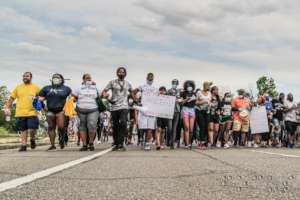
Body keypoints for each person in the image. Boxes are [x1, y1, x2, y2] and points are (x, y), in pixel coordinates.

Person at [4, 72, 40, 152]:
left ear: (31, 77)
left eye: (27, 76)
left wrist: (42, 106)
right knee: (23, 129)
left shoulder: (36, 87)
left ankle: (32, 139)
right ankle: (23, 145)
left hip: (32, 112)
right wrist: (7, 108)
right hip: (20, 112)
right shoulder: (18, 87)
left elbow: (41, 98)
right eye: (24, 76)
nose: (25, 77)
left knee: (32, 129)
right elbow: (11, 99)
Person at [38, 74, 72, 151]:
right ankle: (52, 145)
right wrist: (43, 107)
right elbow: (39, 99)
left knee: (61, 127)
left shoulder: (66, 89)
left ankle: (62, 138)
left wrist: (69, 107)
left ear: (62, 79)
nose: (55, 79)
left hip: (61, 110)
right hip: (50, 110)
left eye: (57, 78)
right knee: (51, 127)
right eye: (54, 78)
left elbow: (71, 98)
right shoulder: (46, 88)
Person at [102, 67, 132, 151]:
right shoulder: (112, 82)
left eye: (123, 72)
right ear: (117, 73)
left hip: (124, 106)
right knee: (115, 125)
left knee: (123, 123)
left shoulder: (128, 83)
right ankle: (116, 143)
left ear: (125, 74)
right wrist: (107, 97)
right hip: (114, 107)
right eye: (119, 72)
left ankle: (121, 143)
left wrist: (136, 101)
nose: (121, 73)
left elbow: (132, 93)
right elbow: (104, 91)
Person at [73, 74, 99, 151]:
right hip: (81, 110)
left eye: (89, 78)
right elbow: (74, 96)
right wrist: (73, 98)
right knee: (82, 126)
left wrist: (106, 95)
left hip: (93, 109)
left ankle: (91, 143)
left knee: (92, 124)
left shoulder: (95, 88)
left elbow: (102, 94)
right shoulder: (79, 88)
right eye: (87, 78)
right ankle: (84, 144)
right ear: (83, 79)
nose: (88, 79)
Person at [137, 73, 157, 151]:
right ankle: (141, 138)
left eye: (151, 79)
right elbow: (134, 92)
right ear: (146, 78)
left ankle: (147, 143)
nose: (150, 80)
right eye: (149, 78)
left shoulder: (155, 88)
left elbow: (158, 98)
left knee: (150, 127)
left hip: (151, 109)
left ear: (153, 79)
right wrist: (137, 100)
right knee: (142, 127)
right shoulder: (142, 86)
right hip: (143, 109)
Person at [180, 80, 197, 149]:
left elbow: (196, 102)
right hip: (185, 109)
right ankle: (186, 143)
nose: (189, 87)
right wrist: (186, 99)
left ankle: (190, 143)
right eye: (188, 85)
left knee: (191, 129)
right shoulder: (183, 93)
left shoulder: (194, 93)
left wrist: (194, 99)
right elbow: (181, 103)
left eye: (190, 85)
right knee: (186, 127)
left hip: (192, 109)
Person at [196, 81, 212, 149]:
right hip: (199, 111)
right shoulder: (199, 92)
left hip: (207, 111)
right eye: (207, 86)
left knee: (206, 127)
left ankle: (203, 141)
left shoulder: (209, 93)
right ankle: (201, 142)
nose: (208, 88)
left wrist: (210, 104)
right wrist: (203, 101)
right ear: (204, 86)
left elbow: (210, 101)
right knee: (202, 126)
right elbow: (196, 102)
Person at [167, 79, 181, 149]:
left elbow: (181, 99)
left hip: (177, 111)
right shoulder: (168, 91)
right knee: (169, 128)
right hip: (170, 111)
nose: (174, 84)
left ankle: (172, 143)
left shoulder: (179, 91)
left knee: (174, 128)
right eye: (173, 83)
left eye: (175, 83)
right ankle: (168, 140)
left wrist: (180, 100)